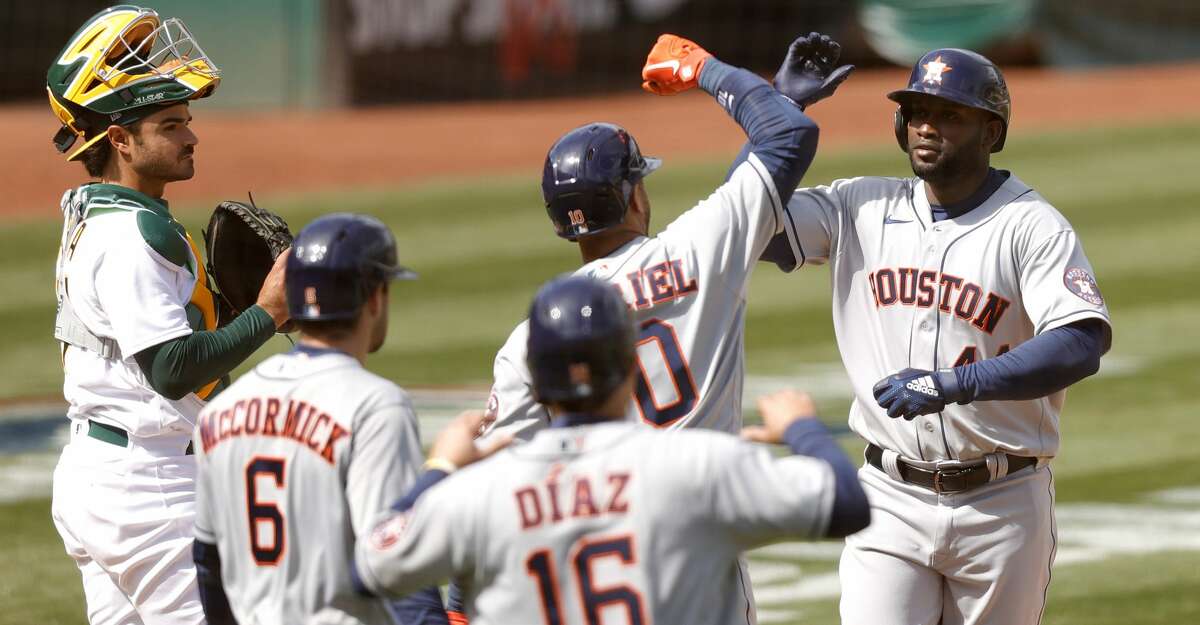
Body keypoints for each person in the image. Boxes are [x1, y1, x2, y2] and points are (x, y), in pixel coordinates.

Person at [760, 48, 1113, 625]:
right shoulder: (858, 206)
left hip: (1002, 505)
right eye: (917, 111)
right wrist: (779, 112)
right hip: (889, 499)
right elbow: (747, 218)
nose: (927, 126)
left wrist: (953, 383)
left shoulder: (1031, 225)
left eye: (950, 115)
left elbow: (1080, 341)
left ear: (991, 132)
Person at [354, 274, 871, 625]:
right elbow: (846, 503)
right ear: (630, 368)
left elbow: (372, 564)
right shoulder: (695, 464)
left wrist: (441, 466)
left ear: (535, 384)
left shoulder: (480, 492)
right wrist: (803, 428)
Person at [480, 32, 853, 440]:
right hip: (712, 493)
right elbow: (786, 137)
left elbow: (495, 459)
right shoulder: (695, 251)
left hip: (614, 501)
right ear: (635, 198)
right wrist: (702, 68)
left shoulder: (533, 337)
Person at [47, 6, 290, 624]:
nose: (191, 137)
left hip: (103, 475)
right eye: (170, 124)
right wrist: (268, 310)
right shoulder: (131, 236)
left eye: (187, 121)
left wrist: (221, 314)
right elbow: (172, 368)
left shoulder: (93, 212)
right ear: (120, 141)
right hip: (149, 491)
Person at [190, 214, 449, 625]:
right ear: (376, 298)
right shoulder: (375, 406)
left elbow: (208, 562)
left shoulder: (220, 413)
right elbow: (397, 567)